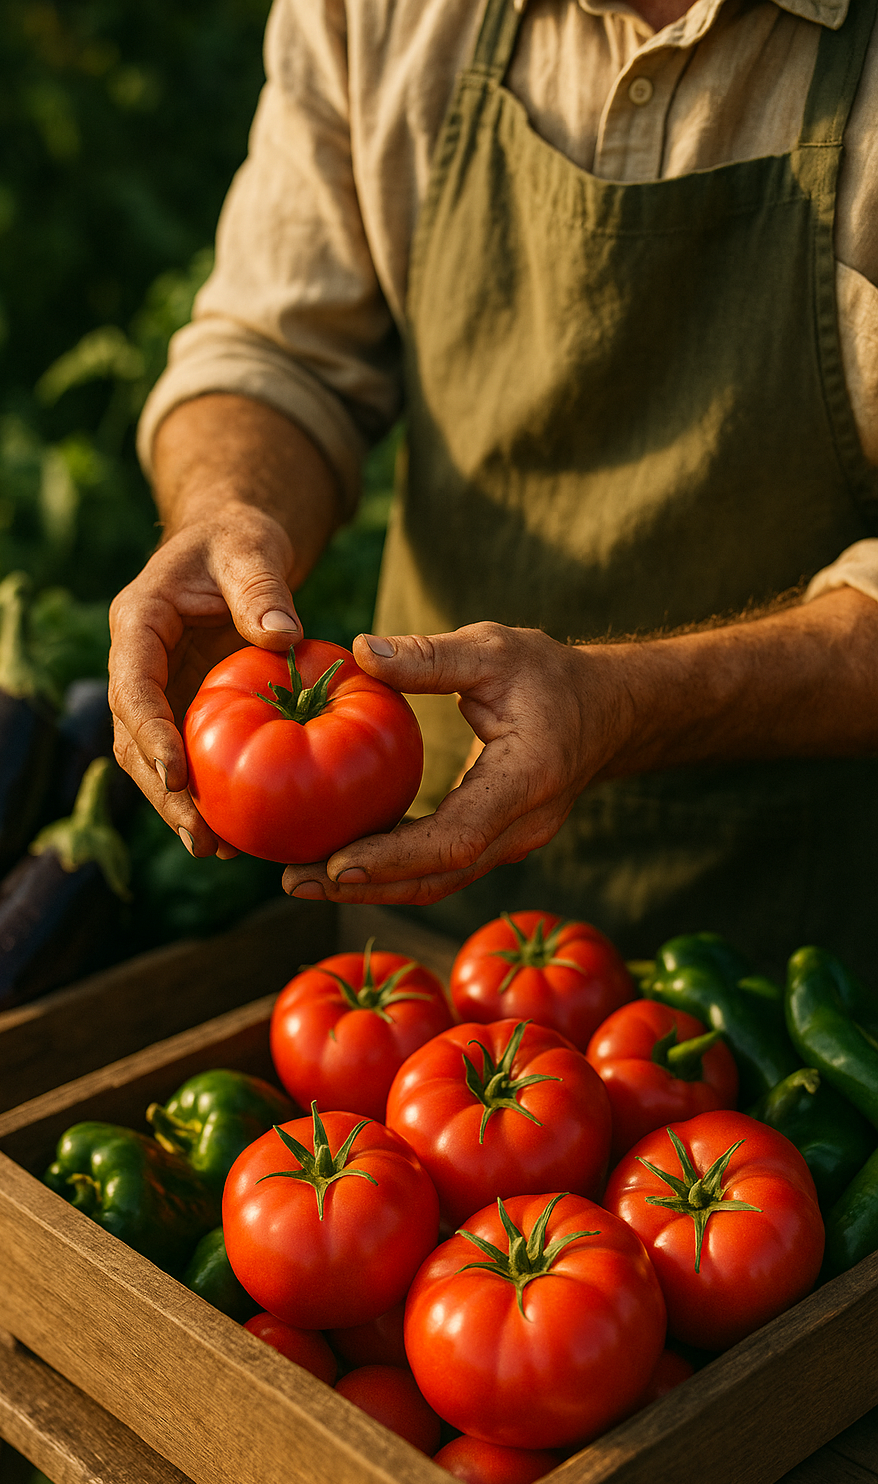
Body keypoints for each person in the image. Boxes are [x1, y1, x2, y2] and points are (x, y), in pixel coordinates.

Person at [108, 0, 878, 979]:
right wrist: (227, 510)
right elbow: (277, 345)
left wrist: (624, 703)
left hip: (804, 969)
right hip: (427, 933)